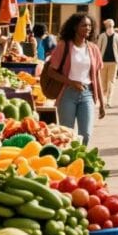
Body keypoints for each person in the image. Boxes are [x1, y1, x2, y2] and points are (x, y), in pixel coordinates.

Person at [50, 13, 106, 146]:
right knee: (66, 134)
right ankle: (67, 164)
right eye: (84, 25)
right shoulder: (64, 46)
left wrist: (102, 103)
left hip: (87, 94)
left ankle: (80, 162)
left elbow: (96, 75)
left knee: (85, 134)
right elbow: (51, 71)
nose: (88, 28)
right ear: (75, 27)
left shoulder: (93, 48)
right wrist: (71, 82)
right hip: (67, 94)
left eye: (89, 25)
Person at [97, 19, 118, 107]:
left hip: (114, 62)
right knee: (103, 81)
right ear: (106, 26)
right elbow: (98, 48)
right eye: (108, 25)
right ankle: (104, 98)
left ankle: (108, 101)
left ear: (113, 26)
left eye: (111, 25)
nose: (109, 27)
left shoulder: (117, 36)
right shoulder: (102, 36)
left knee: (111, 81)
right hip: (103, 62)